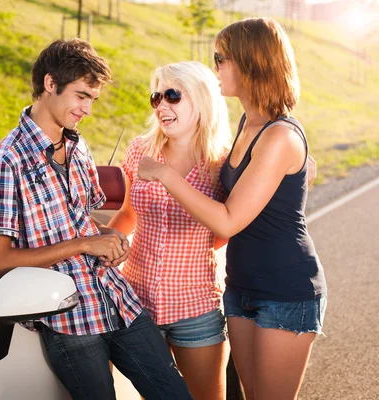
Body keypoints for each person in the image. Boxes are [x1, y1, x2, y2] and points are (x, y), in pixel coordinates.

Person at [0, 38, 192, 400]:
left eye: (92, 99)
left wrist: (110, 239)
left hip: (119, 301)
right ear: (50, 84)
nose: (87, 109)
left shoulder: (78, 147)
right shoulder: (5, 160)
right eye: (81, 96)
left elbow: (82, 222)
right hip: (70, 322)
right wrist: (85, 243)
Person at [137, 17, 327, 400]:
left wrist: (164, 175)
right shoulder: (248, 122)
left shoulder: (280, 134)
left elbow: (229, 219)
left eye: (220, 58)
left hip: (285, 290)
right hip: (240, 287)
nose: (215, 68)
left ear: (250, 62)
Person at [108, 61, 233, 400]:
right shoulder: (140, 150)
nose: (162, 105)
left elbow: (224, 230)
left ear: (202, 99)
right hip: (137, 303)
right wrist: (101, 247)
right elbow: (128, 214)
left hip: (196, 307)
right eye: (157, 96)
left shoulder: (223, 163)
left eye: (173, 95)